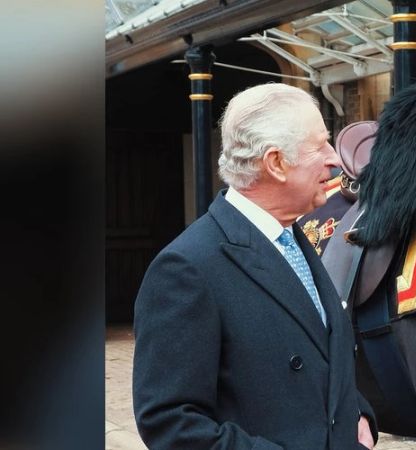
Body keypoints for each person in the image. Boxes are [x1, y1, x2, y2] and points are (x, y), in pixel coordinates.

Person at [132, 83, 377, 450]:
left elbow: (320, 357)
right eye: (320, 145)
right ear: (276, 163)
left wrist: (357, 414)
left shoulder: (296, 239)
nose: (335, 159)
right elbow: (171, 423)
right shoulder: (186, 269)